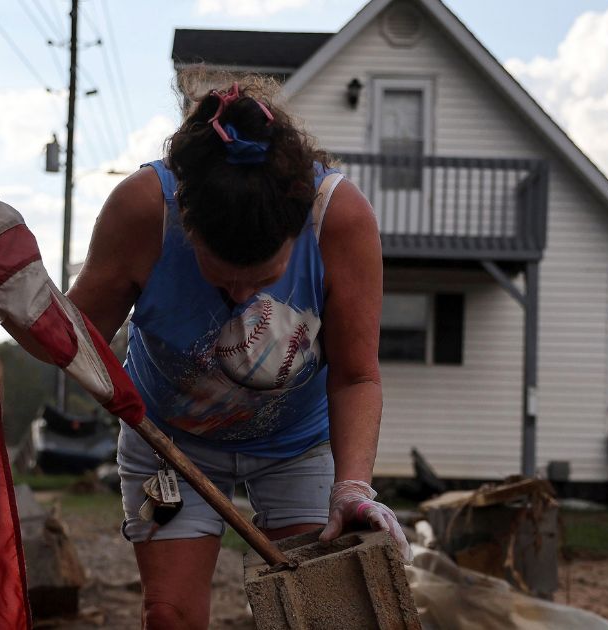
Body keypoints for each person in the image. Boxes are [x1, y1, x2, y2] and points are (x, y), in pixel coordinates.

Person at [65, 80, 411, 629]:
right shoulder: (143, 211)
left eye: (264, 279)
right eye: (223, 279)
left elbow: (355, 375)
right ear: (189, 225)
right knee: (168, 615)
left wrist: (352, 486)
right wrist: (23, 306)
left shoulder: (339, 220)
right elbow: (74, 340)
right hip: (170, 444)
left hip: (297, 443)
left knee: (320, 614)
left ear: (297, 228)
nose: (243, 298)